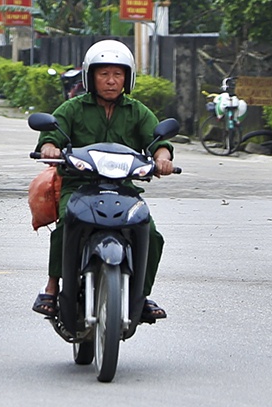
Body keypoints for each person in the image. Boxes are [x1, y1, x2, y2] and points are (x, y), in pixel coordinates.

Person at [33, 39, 174, 323]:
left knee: (151, 233)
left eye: (117, 74)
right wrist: (50, 147)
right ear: (90, 76)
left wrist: (162, 157)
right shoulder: (72, 109)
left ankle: (141, 296)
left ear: (127, 78)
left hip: (125, 188)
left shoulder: (137, 111)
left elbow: (159, 140)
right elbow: (52, 135)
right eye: (104, 74)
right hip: (79, 186)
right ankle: (52, 287)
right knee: (66, 226)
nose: (111, 81)